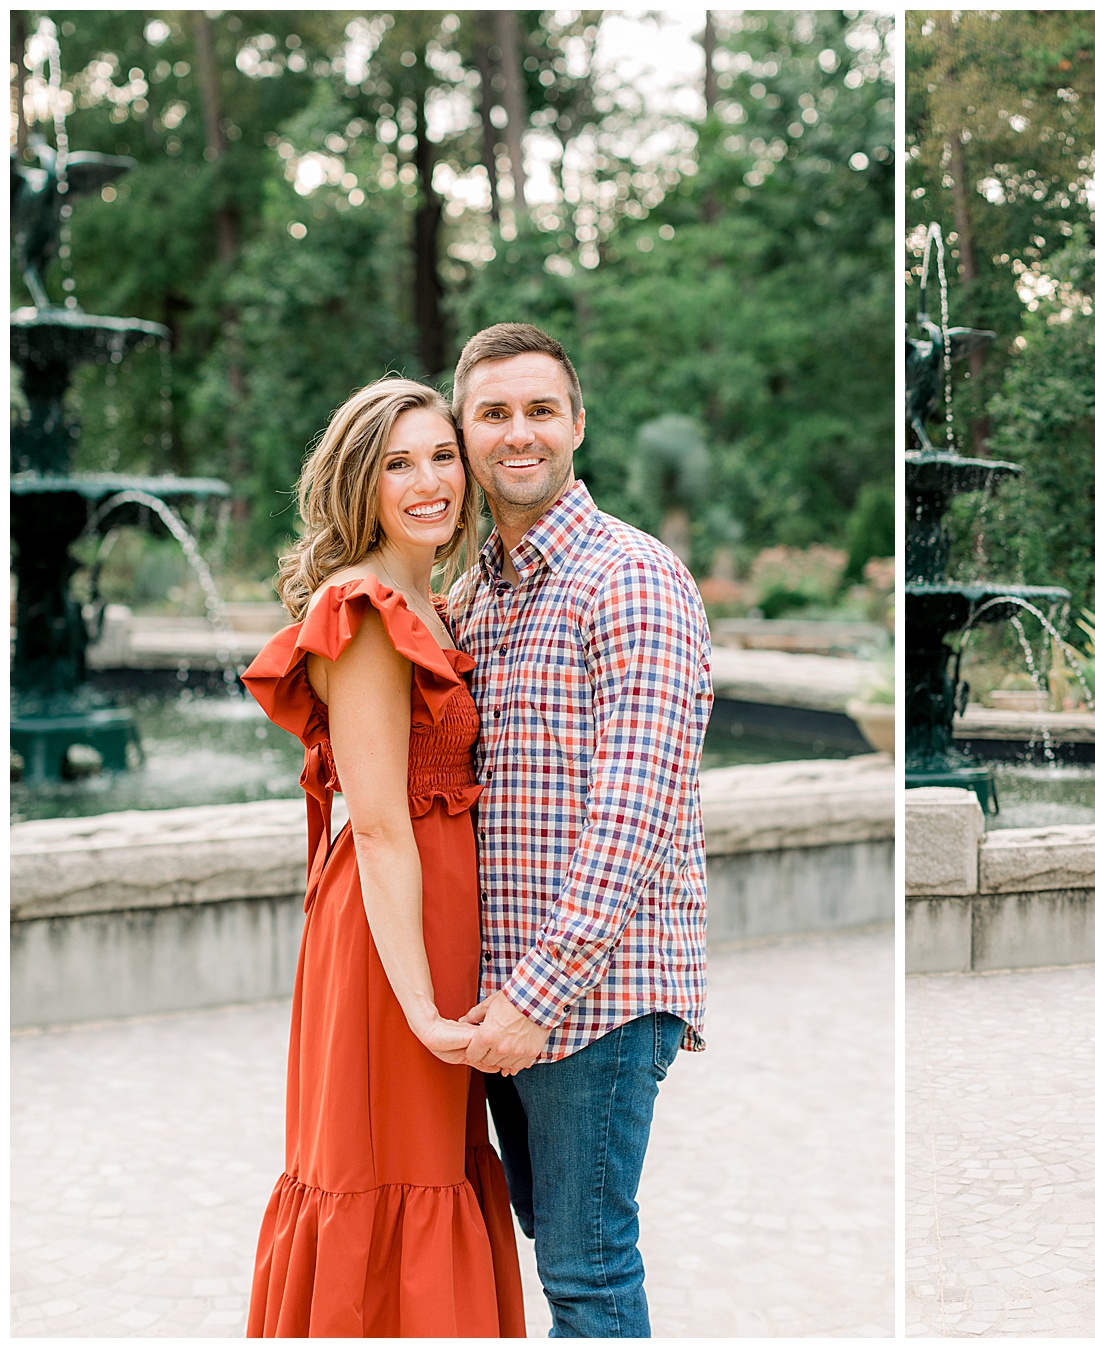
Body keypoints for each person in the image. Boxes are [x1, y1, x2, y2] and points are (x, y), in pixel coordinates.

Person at [442, 323, 713, 1337]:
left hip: (592, 1000)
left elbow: (634, 815)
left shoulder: (629, 577)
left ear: (577, 425)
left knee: (590, 1273)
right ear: (467, 432)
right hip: (508, 996)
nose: (520, 433)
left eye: (540, 410)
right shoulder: (476, 595)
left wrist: (533, 997)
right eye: (495, 412)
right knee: (561, 1250)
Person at [240, 378, 525, 1335]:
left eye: (442, 455)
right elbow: (376, 824)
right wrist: (418, 1007)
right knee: (384, 1170)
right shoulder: (363, 609)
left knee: (431, 1166)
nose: (430, 480)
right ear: (360, 481)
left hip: (429, 924)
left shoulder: (429, 598)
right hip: (386, 942)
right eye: (399, 463)